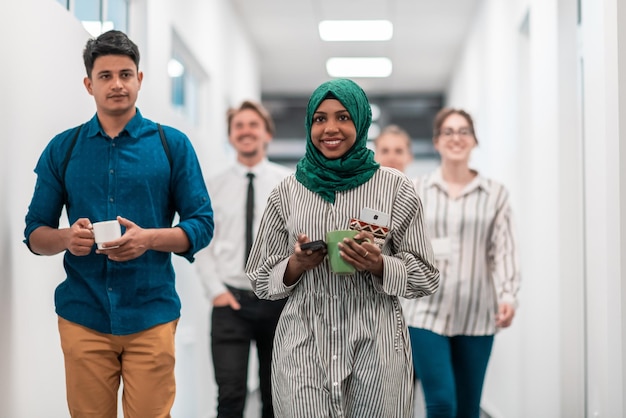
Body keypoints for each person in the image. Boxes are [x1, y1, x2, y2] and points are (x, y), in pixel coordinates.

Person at [23, 30, 214, 418]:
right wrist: (66, 238)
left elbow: (202, 224)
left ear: (139, 79)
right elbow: (34, 233)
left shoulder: (171, 144)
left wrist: (149, 240)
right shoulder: (65, 147)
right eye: (106, 76)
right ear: (88, 83)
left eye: (126, 74)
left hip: (152, 315)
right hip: (83, 315)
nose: (117, 84)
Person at [246, 78, 440, 418]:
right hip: (303, 343)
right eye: (320, 118)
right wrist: (295, 265)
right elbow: (260, 277)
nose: (330, 128)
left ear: (361, 122)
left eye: (343, 117)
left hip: (376, 344)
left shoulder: (396, 188)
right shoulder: (286, 193)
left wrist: (380, 264)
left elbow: (426, 276)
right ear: (309, 125)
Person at [401, 108, 521, 418]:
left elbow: (504, 250)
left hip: (477, 314)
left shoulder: (495, 194)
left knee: (468, 407)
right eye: (449, 132)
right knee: (441, 403)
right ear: (437, 141)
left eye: (463, 131)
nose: (456, 138)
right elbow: (401, 244)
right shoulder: (416, 190)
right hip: (424, 312)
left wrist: (508, 295)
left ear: (474, 141)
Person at [195, 100, 291, 417]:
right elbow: (203, 243)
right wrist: (216, 292)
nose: (246, 131)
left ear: (267, 134)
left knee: (275, 396)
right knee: (230, 396)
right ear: (231, 135)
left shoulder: (289, 185)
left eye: (253, 125)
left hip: (277, 302)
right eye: (239, 126)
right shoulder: (213, 187)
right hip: (230, 304)